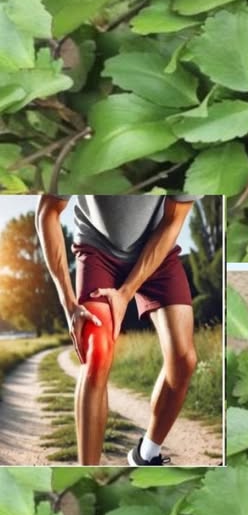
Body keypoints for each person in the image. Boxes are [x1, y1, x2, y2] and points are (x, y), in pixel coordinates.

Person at [36, 194, 198, 466]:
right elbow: (48, 212)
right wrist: (68, 302)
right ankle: (88, 474)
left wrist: (126, 293)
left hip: (157, 249)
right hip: (98, 251)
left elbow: (173, 220)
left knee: (184, 361)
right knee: (97, 353)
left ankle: (146, 455)